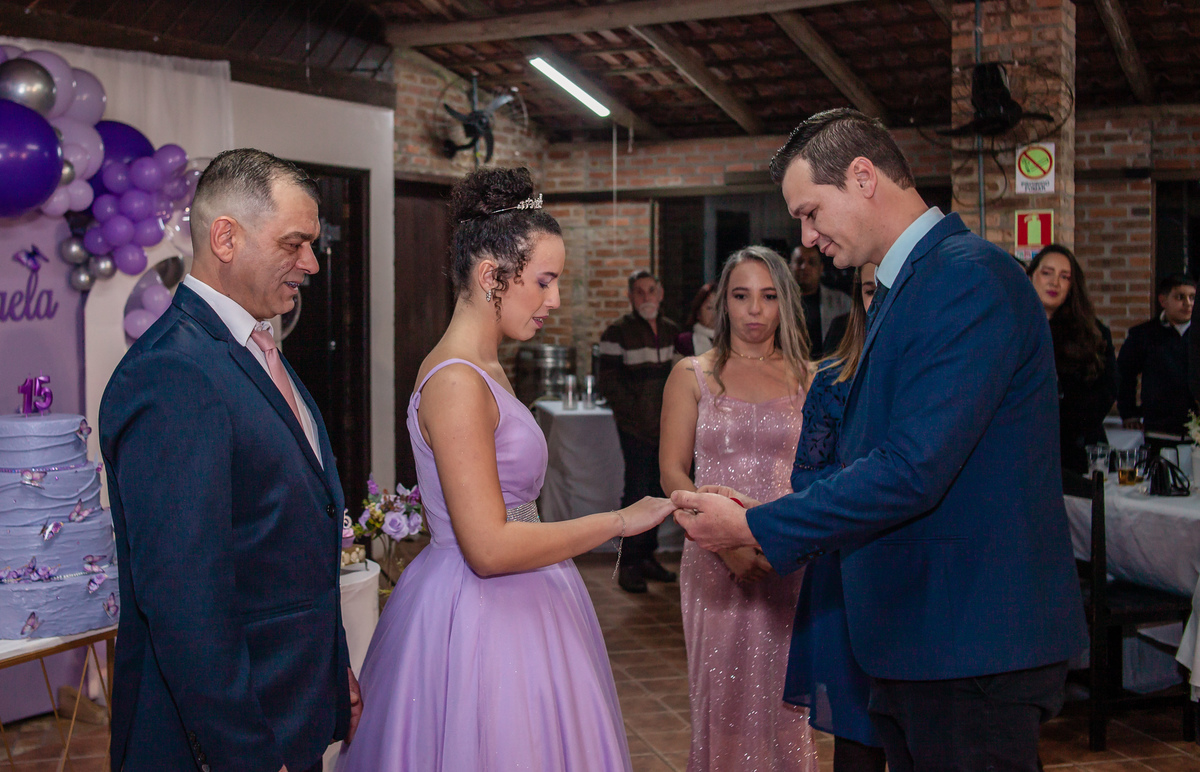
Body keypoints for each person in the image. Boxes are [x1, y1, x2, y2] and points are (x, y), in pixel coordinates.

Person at [672, 108, 1086, 770]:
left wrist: (754, 528)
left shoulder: (966, 278)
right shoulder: (911, 284)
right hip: (920, 634)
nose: (806, 237)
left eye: (811, 212)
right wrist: (767, 512)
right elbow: (863, 459)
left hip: (968, 639)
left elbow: (911, 469)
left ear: (863, 177)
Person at [337, 167, 674, 772]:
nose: (555, 300)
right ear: (491, 276)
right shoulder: (457, 381)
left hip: (528, 593)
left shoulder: (487, 366)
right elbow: (489, 548)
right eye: (544, 281)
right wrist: (619, 520)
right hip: (480, 611)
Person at [99, 149, 360, 772]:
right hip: (223, 740)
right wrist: (246, 754)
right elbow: (184, 599)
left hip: (287, 705)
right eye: (294, 244)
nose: (311, 263)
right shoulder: (172, 373)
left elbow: (283, 541)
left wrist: (332, 669)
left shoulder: (253, 349)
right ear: (225, 238)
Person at [659, 246, 816, 772]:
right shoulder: (692, 374)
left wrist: (782, 543)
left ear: (785, 302)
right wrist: (724, 546)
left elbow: (822, 478)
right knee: (720, 704)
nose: (754, 310)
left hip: (786, 559)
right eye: (741, 295)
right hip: (713, 560)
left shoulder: (811, 379)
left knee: (787, 708)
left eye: (768, 297)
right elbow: (673, 474)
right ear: (722, 302)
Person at [788, 264, 887, 772]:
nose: (881, 299)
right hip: (849, 566)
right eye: (870, 290)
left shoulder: (935, 374)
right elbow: (805, 475)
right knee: (858, 733)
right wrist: (860, 486)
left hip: (920, 571)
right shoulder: (832, 378)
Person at [599, 270, 682, 593]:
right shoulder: (617, 333)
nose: (646, 297)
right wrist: (638, 417)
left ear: (660, 294)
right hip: (635, 430)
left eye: (651, 290)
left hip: (668, 429)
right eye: (639, 292)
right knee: (636, 491)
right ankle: (630, 563)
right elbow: (609, 383)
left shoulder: (674, 332)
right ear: (630, 297)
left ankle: (648, 556)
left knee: (660, 491)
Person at [1026, 244, 1118, 474]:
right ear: (1031, 276)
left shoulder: (1093, 334)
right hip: (1025, 451)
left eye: (1064, 277)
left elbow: (1108, 389)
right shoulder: (1014, 328)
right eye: (1047, 273)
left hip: (1078, 452)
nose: (1054, 283)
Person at [1118, 273, 1196, 438]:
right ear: (1163, 301)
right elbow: (1124, 374)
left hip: (1196, 431)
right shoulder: (1143, 334)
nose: (1188, 303)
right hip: (1158, 429)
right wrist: (1129, 413)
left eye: (1192, 297)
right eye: (1180, 297)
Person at [791, 244, 851, 358]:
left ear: (821, 268)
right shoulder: (778, 302)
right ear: (790, 266)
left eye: (812, 263)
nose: (804, 267)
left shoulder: (842, 301)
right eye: (799, 262)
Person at [675, 282, 718, 356]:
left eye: (718, 308)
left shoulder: (733, 340)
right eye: (709, 308)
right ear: (698, 312)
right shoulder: (684, 341)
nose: (715, 313)